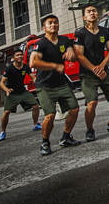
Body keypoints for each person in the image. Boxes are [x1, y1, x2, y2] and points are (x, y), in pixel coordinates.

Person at [74, 4, 109, 142]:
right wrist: (94, 69)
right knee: (92, 102)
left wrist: (102, 66)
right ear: (84, 17)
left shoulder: (105, 31)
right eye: (89, 12)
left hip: (104, 70)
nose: (92, 13)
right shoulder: (80, 34)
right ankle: (90, 129)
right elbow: (79, 55)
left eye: (94, 11)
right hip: (88, 73)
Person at [29, 14, 81, 155]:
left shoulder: (64, 40)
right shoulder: (41, 44)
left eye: (56, 23)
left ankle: (65, 137)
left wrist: (71, 54)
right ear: (44, 27)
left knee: (74, 109)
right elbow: (33, 62)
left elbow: (74, 56)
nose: (53, 25)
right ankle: (45, 143)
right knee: (50, 115)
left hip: (61, 84)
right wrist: (54, 65)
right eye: (50, 23)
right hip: (44, 86)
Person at [0, 49, 41, 141]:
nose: (20, 56)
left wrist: (38, 84)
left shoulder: (25, 67)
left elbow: (33, 77)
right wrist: (6, 89)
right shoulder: (9, 69)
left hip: (23, 92)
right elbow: (2, 83)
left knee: (36, 106)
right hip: (12, 93)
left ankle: (35, 125)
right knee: (6, 112)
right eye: (17, 55)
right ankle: (3, 132)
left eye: (21, 55)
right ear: (13, 58)